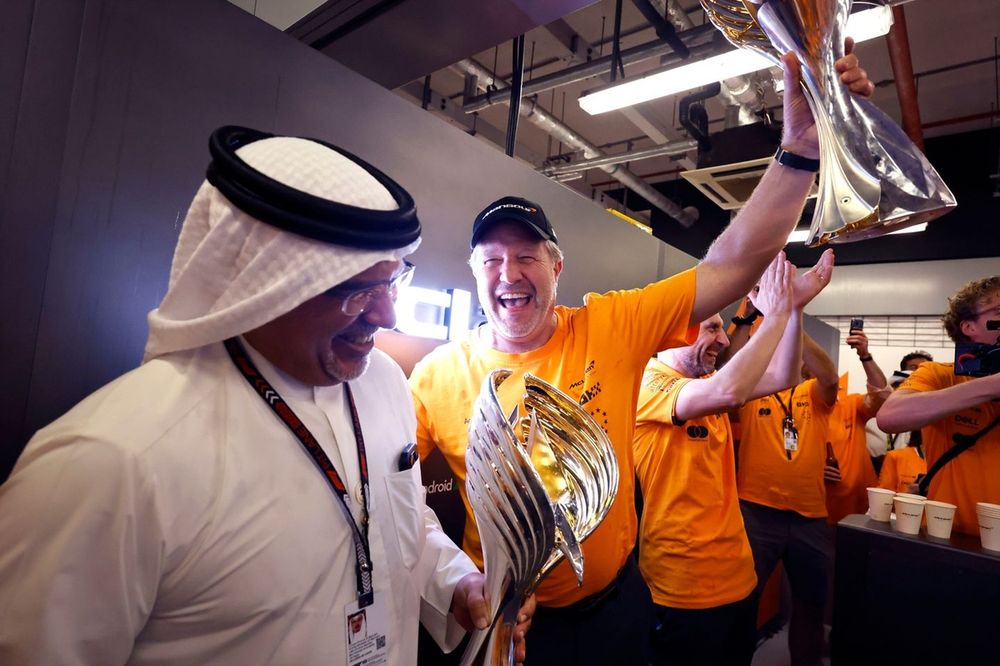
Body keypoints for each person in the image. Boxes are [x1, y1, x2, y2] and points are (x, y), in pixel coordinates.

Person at [0, 126, 531, 665]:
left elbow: (402, 524)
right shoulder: (109, 461)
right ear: (267, 282)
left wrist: (458, 584)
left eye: (392, 284)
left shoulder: (385, 385)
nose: (387, 316)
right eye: (356, 291)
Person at [409, 46, 869, 666]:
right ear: (473, 272)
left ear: (556, 266)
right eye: (491, 259)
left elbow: (730, 264)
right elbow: (396, 502)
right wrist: (456, 584)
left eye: (527, 256)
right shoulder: (435, 376)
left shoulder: (611, 325)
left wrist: (799, 154)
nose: (508, 272)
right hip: (502, 621)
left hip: (613, 610)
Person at [634, 251, 830, 666]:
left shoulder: (706, 382)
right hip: (681, 587)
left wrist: (793, 311)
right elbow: (730, 392)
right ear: (675, 332)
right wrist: (772, 314)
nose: (724, 340)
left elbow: (784, 376)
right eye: (712, 327)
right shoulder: (649, 383)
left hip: (736, 578)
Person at [734, 328, 840, 666]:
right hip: (755, 511)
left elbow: (830, 375)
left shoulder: (814, 393)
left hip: (810, 516)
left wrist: (790, 318)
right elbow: (732, 366)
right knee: (740, 602)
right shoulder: (754, 390)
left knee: (810, 606)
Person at [878, 276, 1000, 534]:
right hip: (949, 537)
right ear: (969, 326)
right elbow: (890, 417)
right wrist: (991, 386)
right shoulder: (940, 375)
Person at [824, 327, 888, 524]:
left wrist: (865, 356)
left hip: (856, 509)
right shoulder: (796, 409)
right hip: (816, 509)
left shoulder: (850, 405)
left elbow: (881, 392)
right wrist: (810, 469)